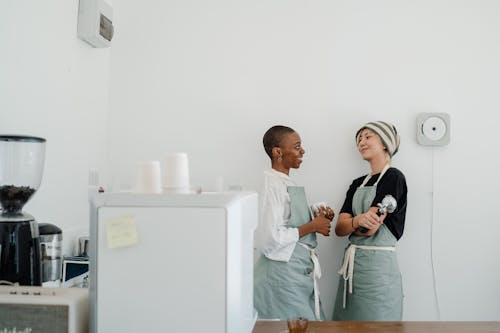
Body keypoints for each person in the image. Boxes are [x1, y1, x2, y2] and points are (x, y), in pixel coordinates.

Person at [254, 125, 334, 321]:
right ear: (277, 152)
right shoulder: (270, 185)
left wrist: (315, 212)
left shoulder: (285, 182)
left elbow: (287, 219)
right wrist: (313, 226)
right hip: (279, 276)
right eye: (297, 147)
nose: (303, 151)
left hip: (294, 274)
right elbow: (268, 238)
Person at [332, 121, 408, 321]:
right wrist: (358, 221)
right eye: (359, 139)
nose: (361, 143)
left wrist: (354, 223)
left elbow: (369, 229)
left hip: (378, 272)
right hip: (354, 268)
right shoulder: (357, 183)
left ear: (385, 143)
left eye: (368, 137)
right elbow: (339, 229)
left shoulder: (394, 177)